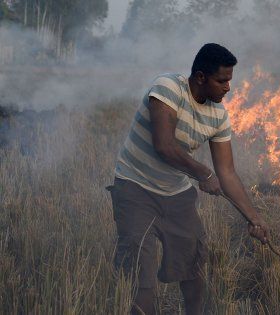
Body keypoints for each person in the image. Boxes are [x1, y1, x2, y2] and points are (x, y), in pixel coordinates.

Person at [107, 43, 270, 315]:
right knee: (140, 279)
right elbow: (164, 145)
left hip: (177, 196)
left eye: (230, 81)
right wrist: (203, 173)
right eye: (222, 81)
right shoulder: (168, 88)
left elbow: (227, 172)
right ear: (201, 77)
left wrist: (255, 218)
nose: (228, 87)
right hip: (135, 189)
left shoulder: (219, 116)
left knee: (193, 269)